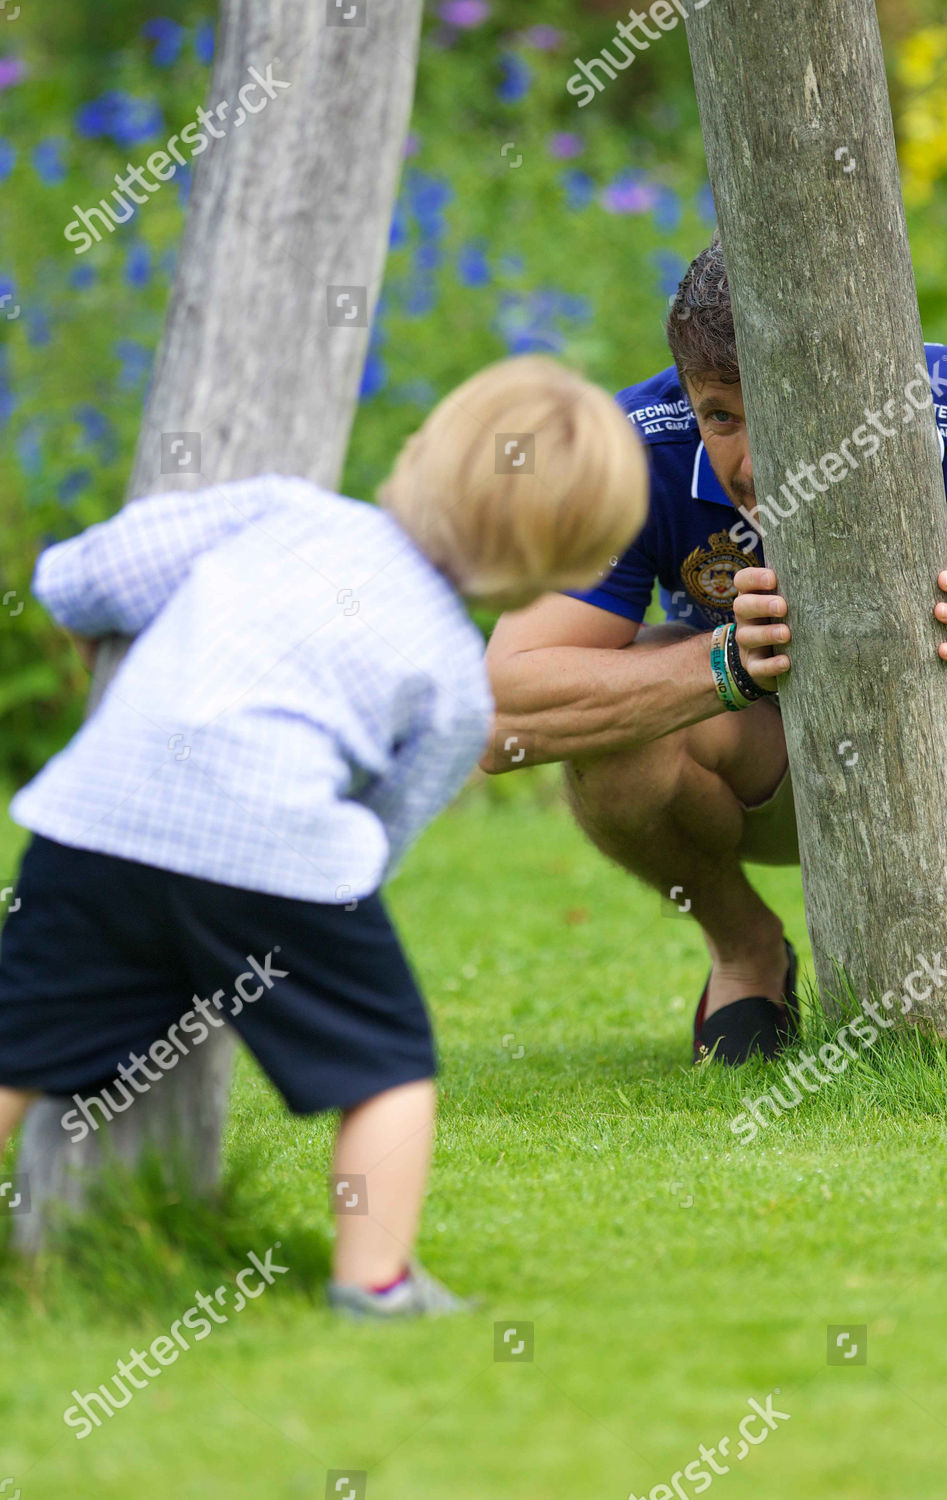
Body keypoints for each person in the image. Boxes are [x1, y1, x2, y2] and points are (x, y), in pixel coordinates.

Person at [0, 354, 648, 1319]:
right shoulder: (455, 683)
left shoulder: (278, 513)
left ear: (423, 448)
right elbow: (386, 829)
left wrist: (81, 609)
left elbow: (95, 572)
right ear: (559, 568)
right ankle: (373, 1279)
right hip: (281, 861)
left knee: (18, 1046)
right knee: (387, 1067)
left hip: (96, 823)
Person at [483, 238, 947, 1064]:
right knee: (620, 725)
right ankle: (745, 956)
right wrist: (723, 664)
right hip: (763, 762)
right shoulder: (632, 452)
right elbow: (498, 714)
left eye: (783, 408)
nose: (753, 460)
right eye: (722, 416)